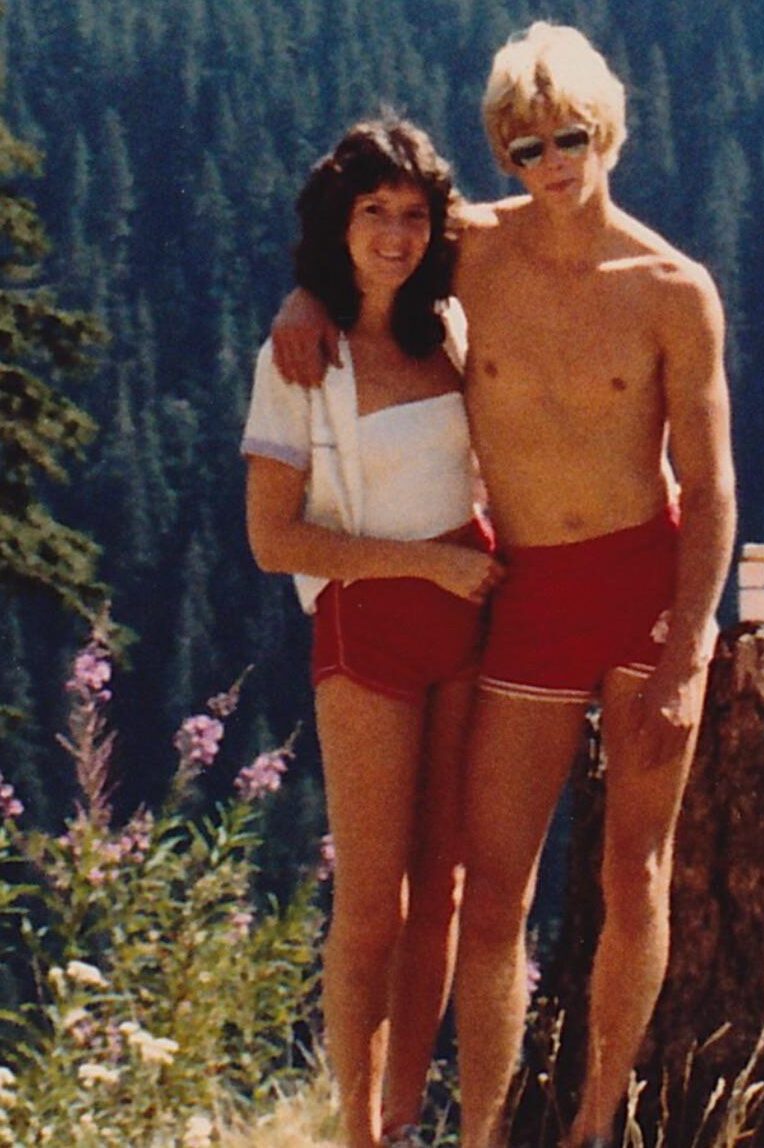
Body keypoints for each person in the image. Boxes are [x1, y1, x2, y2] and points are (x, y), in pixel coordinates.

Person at [271, 22, 737, 1148]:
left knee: (635, 866)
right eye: (523, 148)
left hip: (645, 586)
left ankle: (590, 1121)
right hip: (524, 592)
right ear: (502, 153)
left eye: (568, 139)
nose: (551, 166)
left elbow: (715, 488)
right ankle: (484, 1131)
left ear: (607, 131)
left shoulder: (674, 289)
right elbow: (366, 251)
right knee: (495, 890)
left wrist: (684, 653)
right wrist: (307, 300)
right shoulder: (468, 247)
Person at [242, 116, 503, 1148]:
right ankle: (351, 1124)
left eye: (411, 213)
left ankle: (400, 1117)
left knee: (440, 883)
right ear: (335, 225)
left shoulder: (455, 325)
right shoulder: (303, 353)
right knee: (373, 897)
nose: (394, 234)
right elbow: (272, 538)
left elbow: (537, 215)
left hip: (471, 613)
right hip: (371, 621)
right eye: (371, 213)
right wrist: (431, 563)